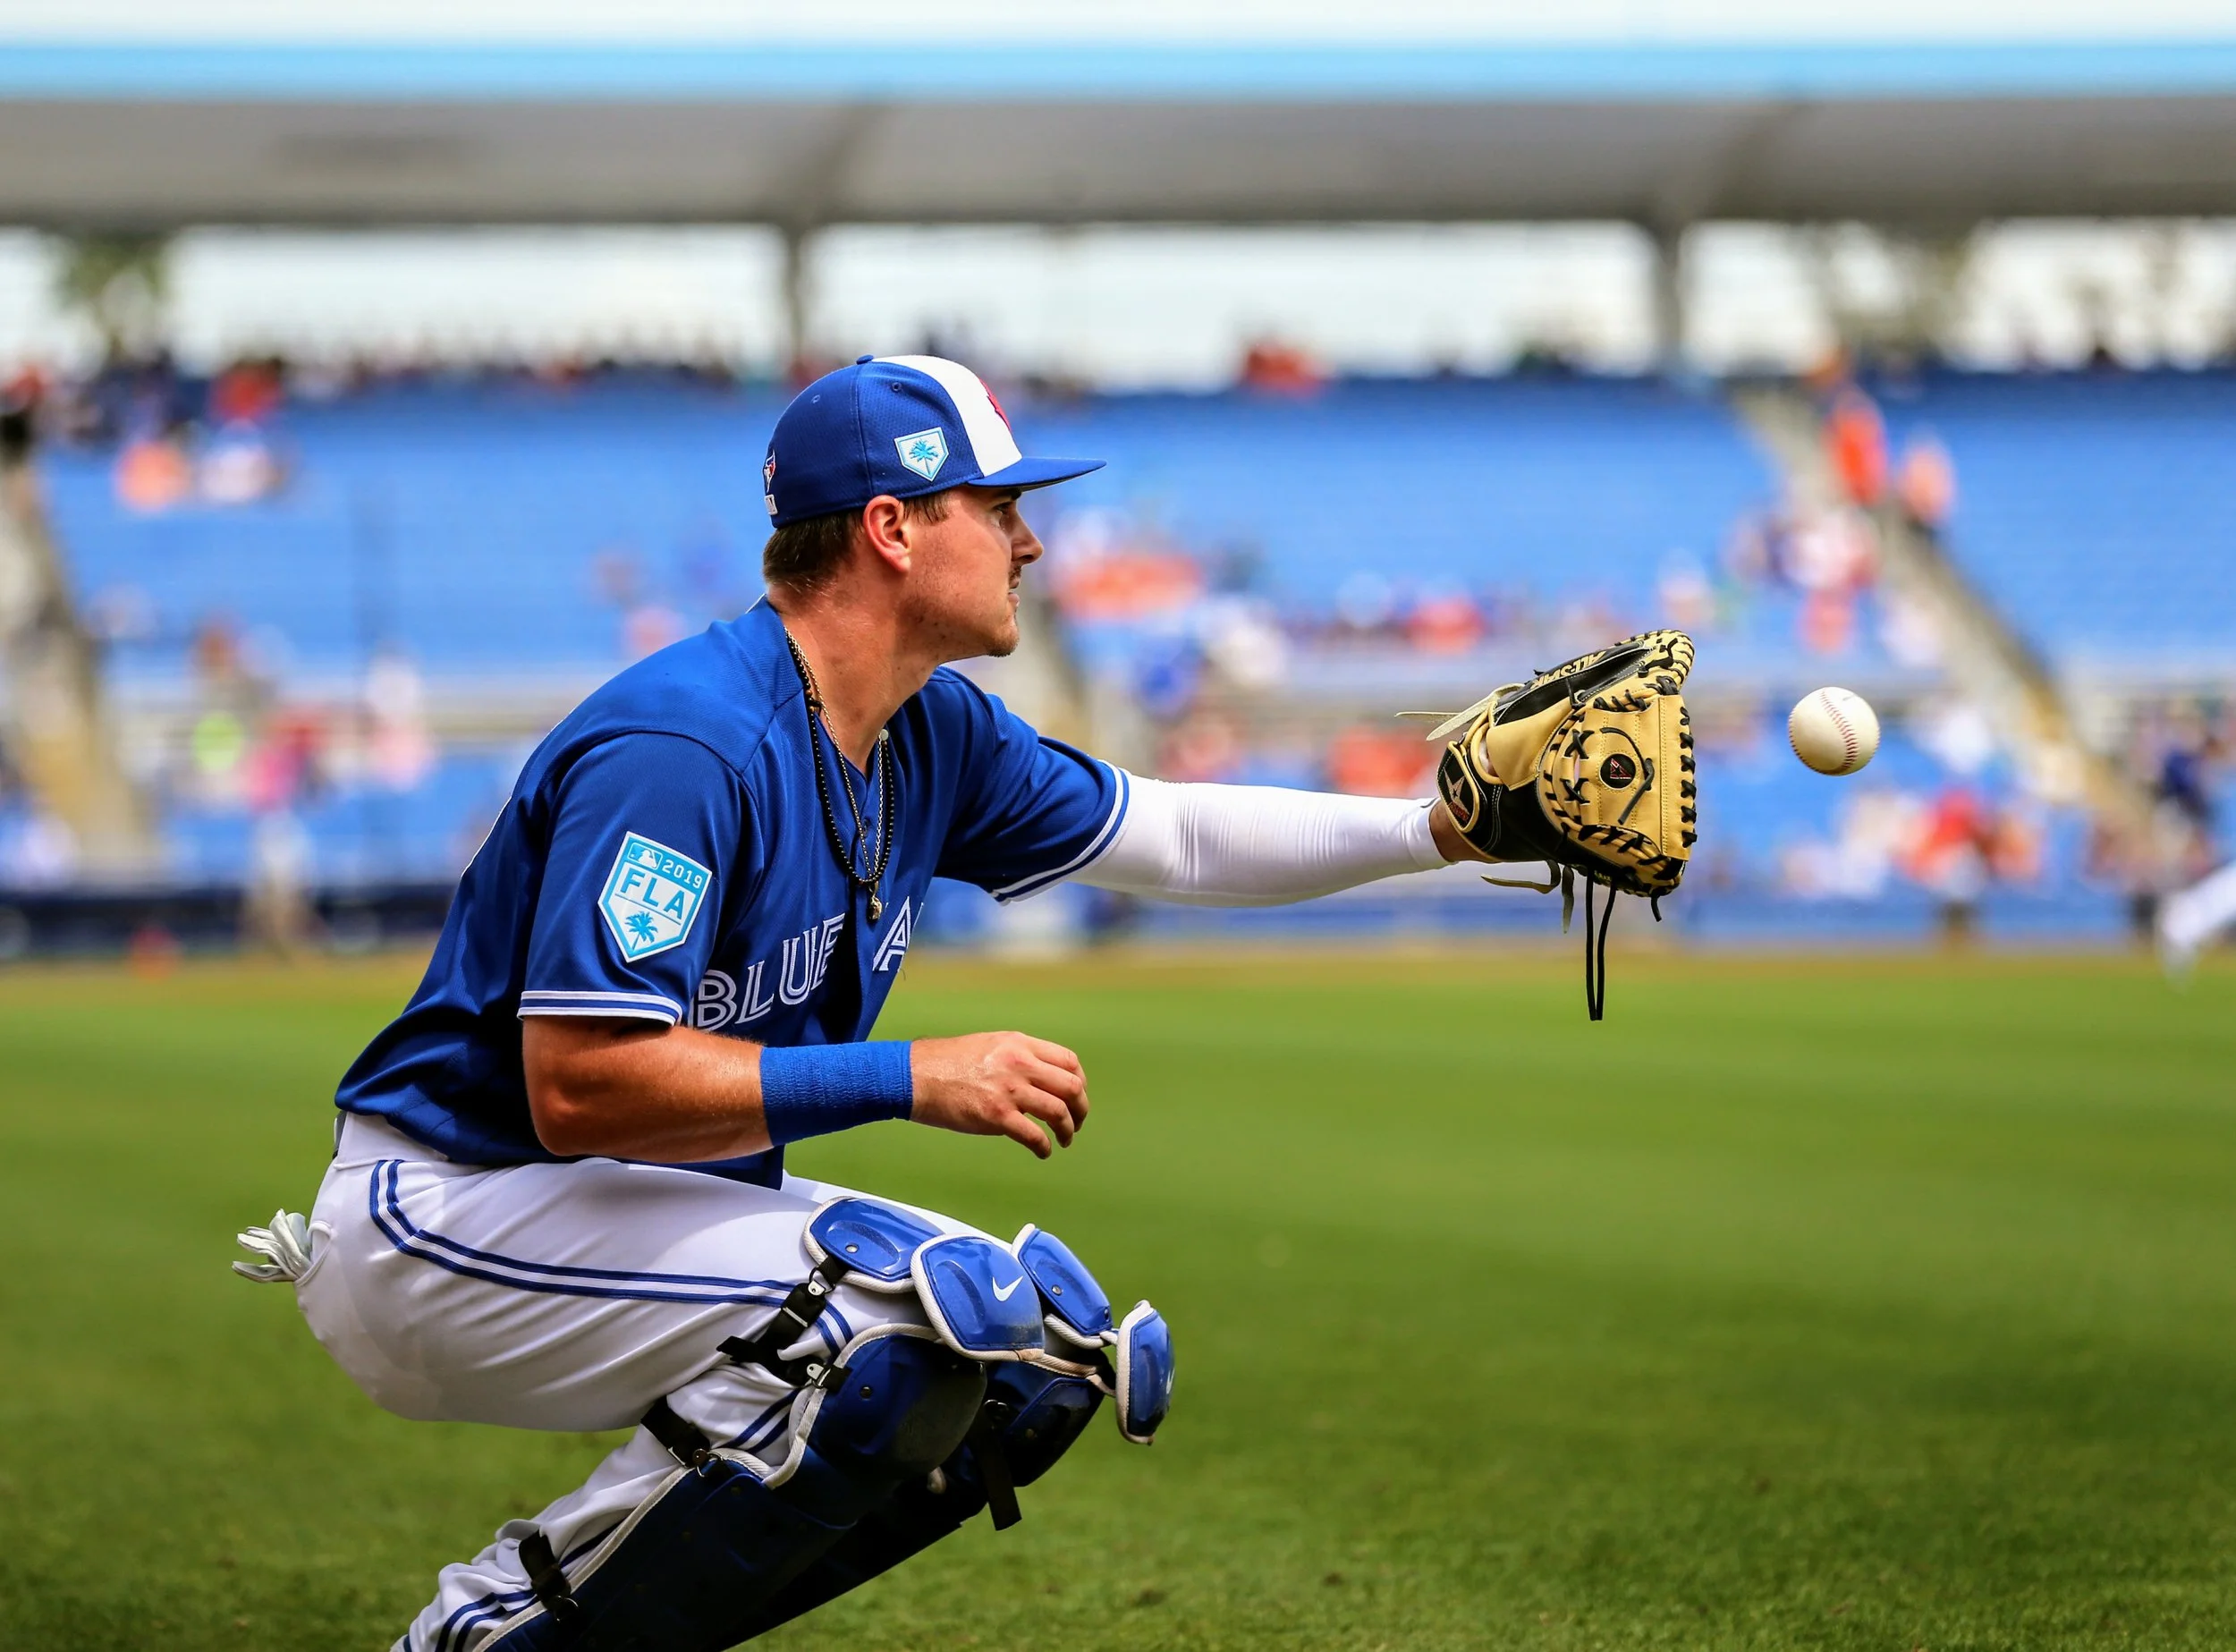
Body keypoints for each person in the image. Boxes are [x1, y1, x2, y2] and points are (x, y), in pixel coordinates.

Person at [234, 356, 1492, 1651]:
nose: (1032, 538)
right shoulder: (689, 746)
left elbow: (1172, 836)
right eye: (996, 505)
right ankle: (474, 1635)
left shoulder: (930, 731)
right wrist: (905, 1074)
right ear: (892, 528)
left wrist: (1437, 827)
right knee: (883, 1319)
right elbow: (580, 1085)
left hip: (612, 1207)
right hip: (444, 1211)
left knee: (1018, 1354)